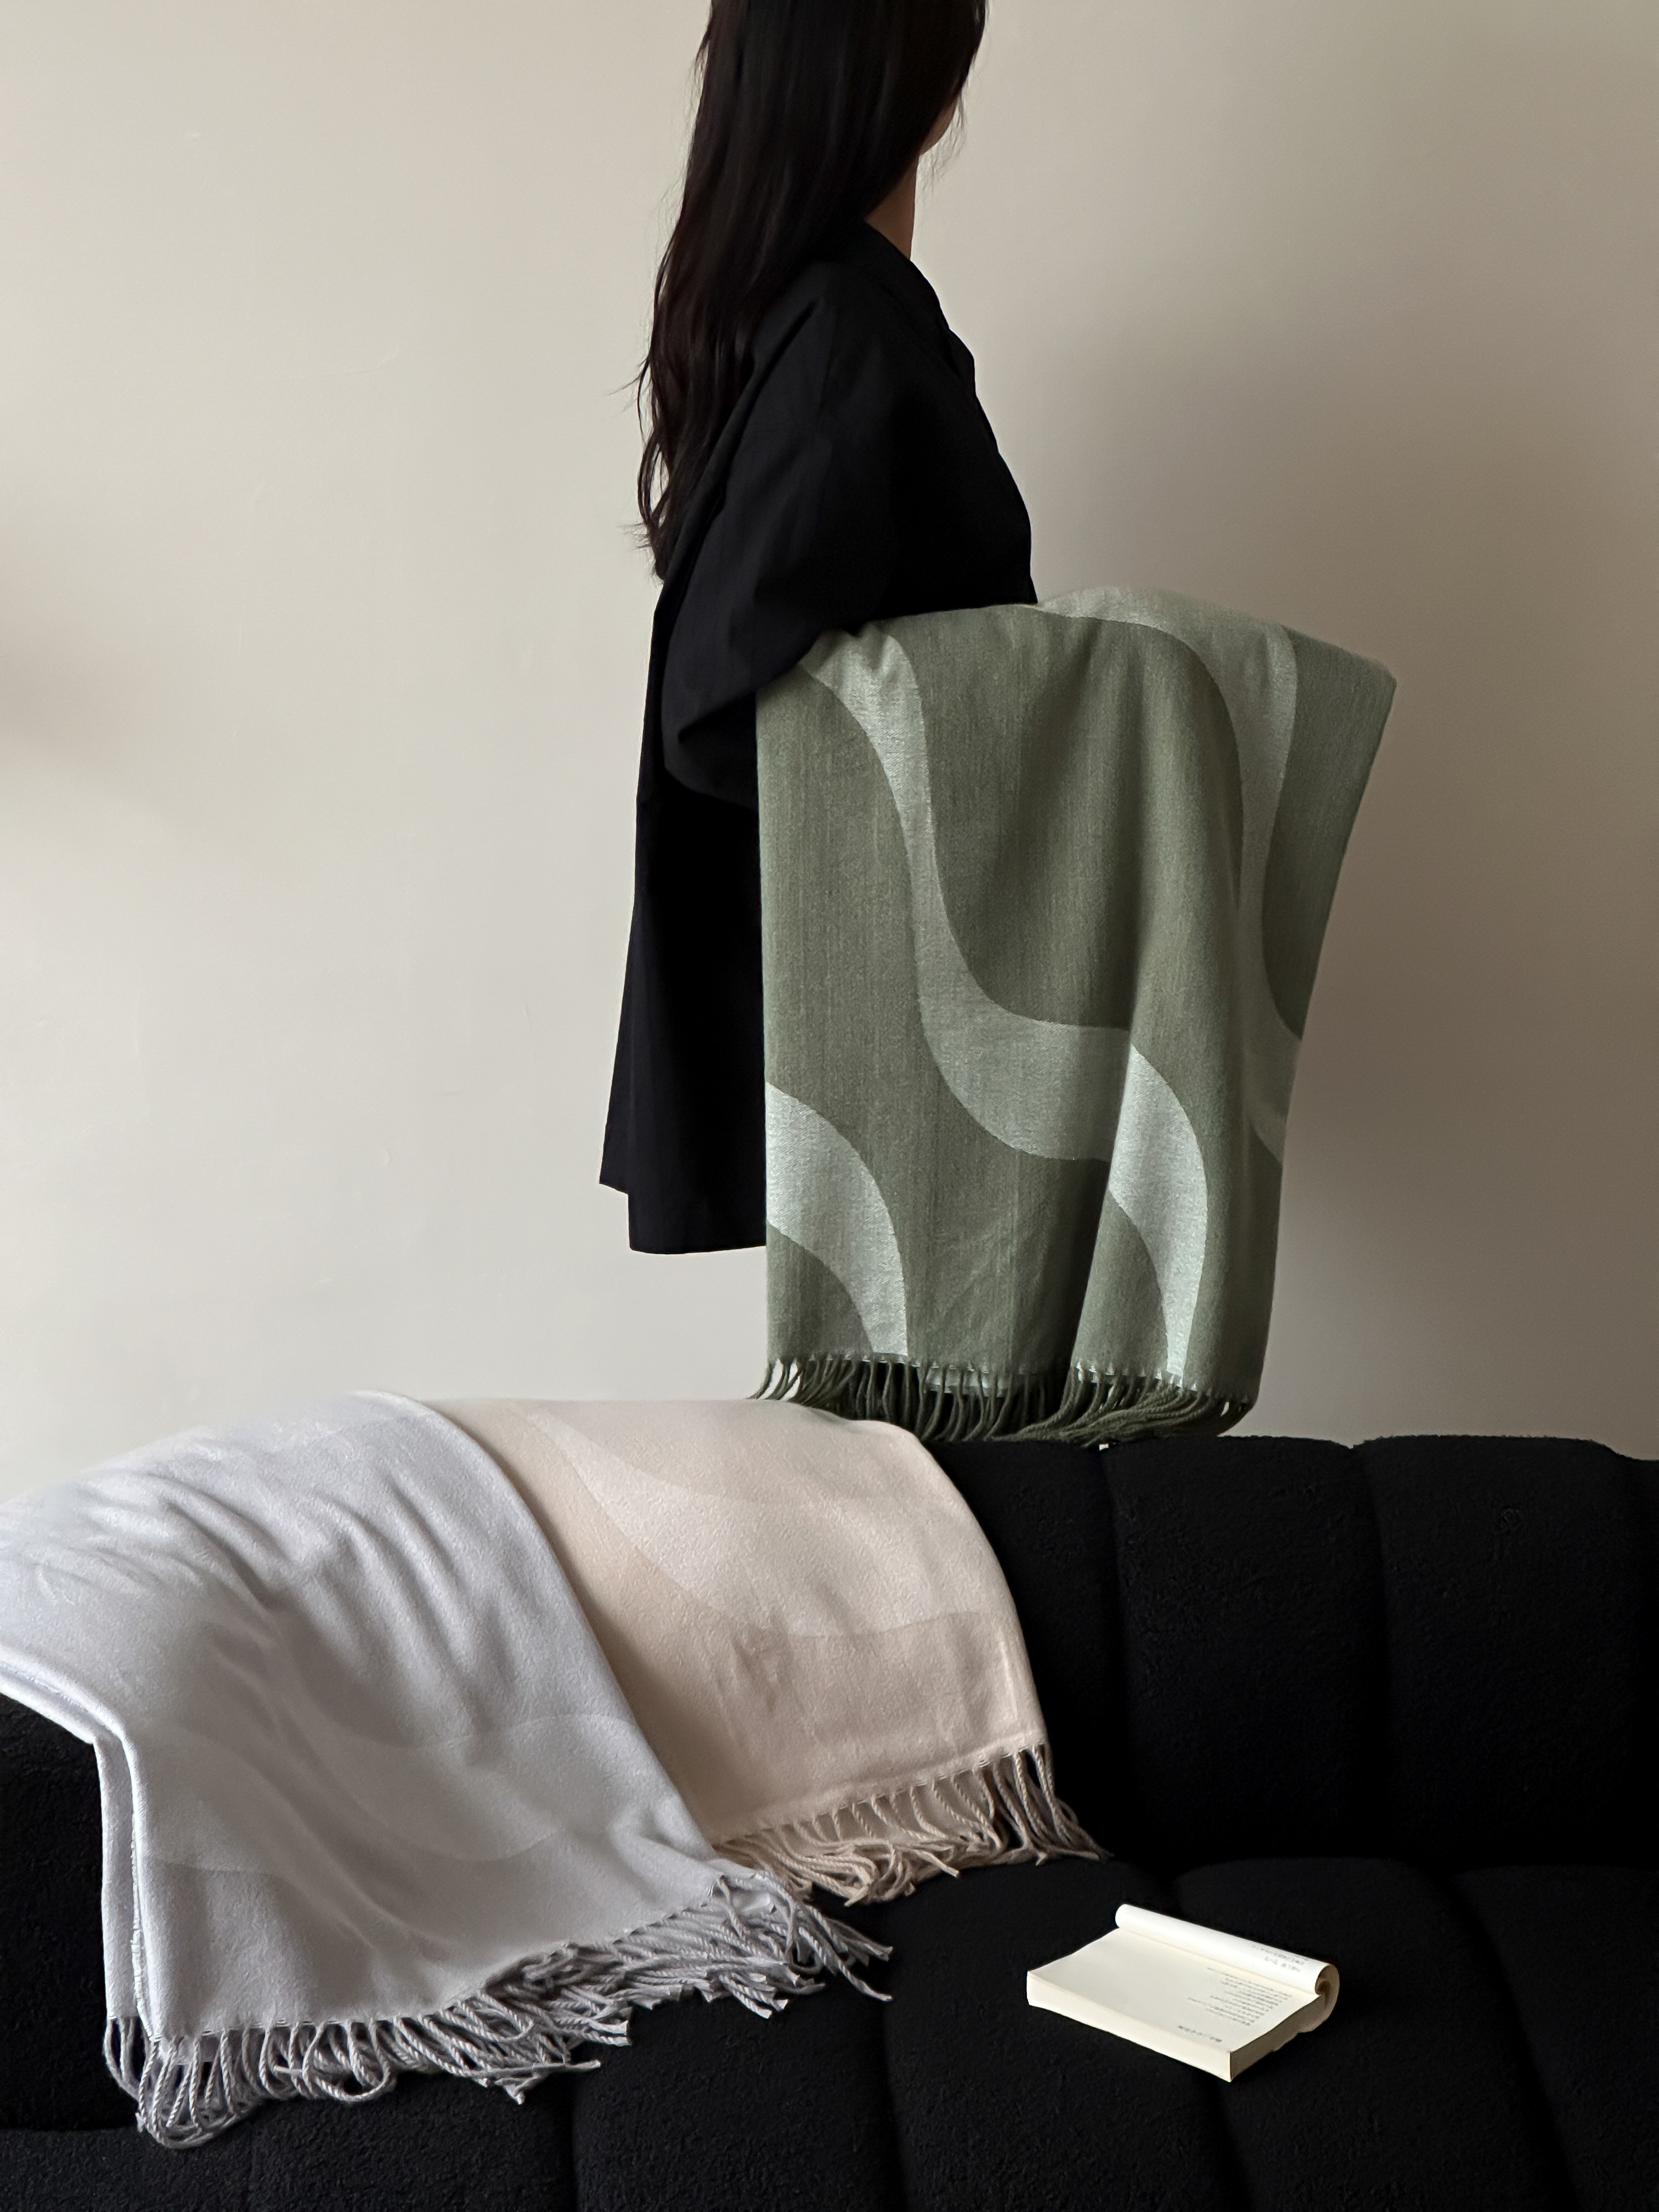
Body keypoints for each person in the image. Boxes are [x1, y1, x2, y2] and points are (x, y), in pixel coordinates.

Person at [601, 0, 1035, 1253]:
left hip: (886, 1052)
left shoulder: (813, 322)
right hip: (899, 1045)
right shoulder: (847, 334)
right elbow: (724, 696)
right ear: (923, 92)